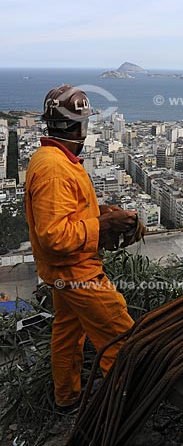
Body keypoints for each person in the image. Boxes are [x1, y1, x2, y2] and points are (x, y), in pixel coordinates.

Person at [25, 85, 139, 412]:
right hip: (76, 271)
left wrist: (101, 212)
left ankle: (67, 398)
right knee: (120, 336)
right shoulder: (55, 168)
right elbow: (54, 235)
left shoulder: (53, 158)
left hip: (61, 273)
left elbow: (66, 214)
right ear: (77, 126)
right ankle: (119, 409)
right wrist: (103, 226)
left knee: (68, 333)